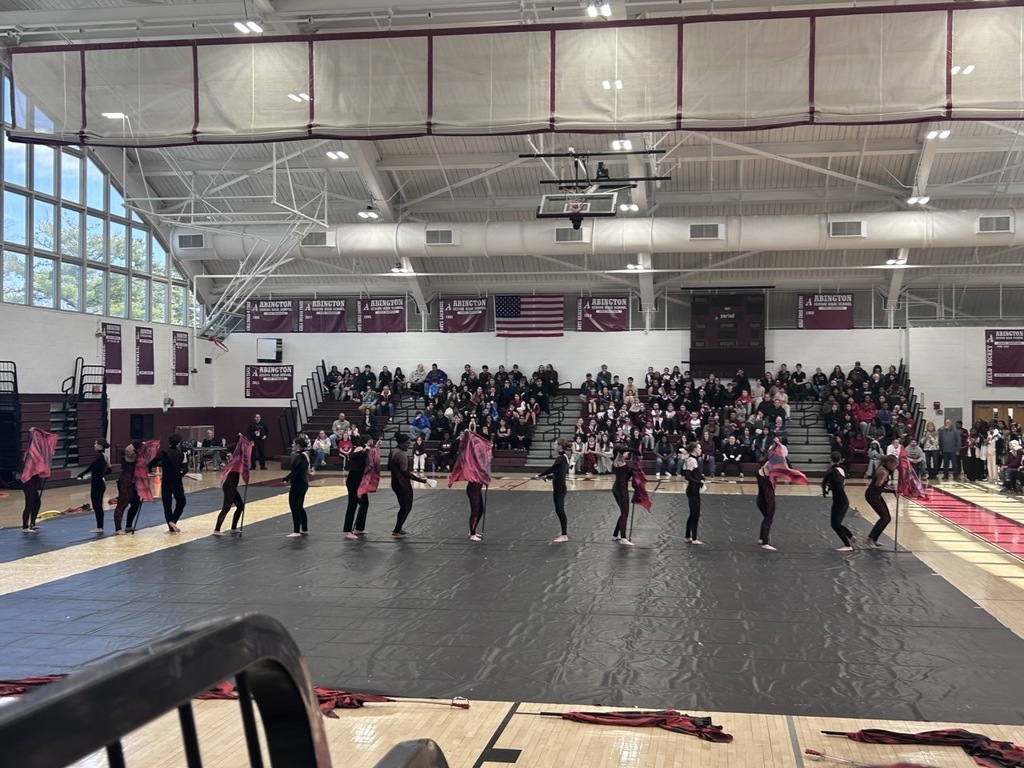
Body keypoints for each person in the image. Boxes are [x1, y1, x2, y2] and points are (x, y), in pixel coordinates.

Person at [388, 433, 432, 538]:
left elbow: (391, 467)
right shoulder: (401, 454)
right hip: (402, 483)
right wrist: (420, 480)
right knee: (406, 506)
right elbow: (405, 472)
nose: (409, 445)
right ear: (402, 443)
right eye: (407, 443)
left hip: (395, 482)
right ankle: (397, 529)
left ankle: (398, 528)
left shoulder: (393, 451)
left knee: (403, 506)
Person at [148, 433, 188, 533]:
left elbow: (151, 463)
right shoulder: (182, 454)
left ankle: (171, 525)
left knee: (167, 504)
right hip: (177, 481)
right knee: (181, 502)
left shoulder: (163, 453)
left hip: (166, 480)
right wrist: (181, 473)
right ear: (179, 443)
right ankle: (173, 520)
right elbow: (185, 469)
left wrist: (150, 472)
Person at [536, 438, 570, 542]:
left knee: (560, 510)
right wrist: (547, 477)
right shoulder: (564, 457)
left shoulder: (560, 458)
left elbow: (552, 468)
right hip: (560, 486)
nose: (554, 446)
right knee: (559, 510)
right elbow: (558, 473)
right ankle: (564, 534)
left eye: (555, 444)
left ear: (560, 446)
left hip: (559, 488)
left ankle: (564, 535)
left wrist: (540, 474)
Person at [213, 438, 249, 536]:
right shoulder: (234, 460)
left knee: (240, 506)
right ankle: (217, 530)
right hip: (229, 486)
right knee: (226, 508)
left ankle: (233, 527)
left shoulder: (238, 459)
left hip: (232, 486)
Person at [822, 451, 855, 551]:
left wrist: (825, 491)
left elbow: (825, 483)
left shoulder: (830, 471)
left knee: (834, 524)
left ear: (830, 459)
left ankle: (847, 545)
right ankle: (850, 535)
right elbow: (839, 484)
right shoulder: (842, 470)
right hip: (844, 500)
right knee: (837, 523)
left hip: (839, 501)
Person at [77, 439, 111, 533]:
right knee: (99, 505)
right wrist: (101, 475)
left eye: (95, 443)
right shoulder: (105, 456)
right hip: (101, 483)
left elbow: (92, 467)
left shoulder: (98, 456)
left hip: (97, 485)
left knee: (97, 506)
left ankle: (99, 527)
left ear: (100, 446)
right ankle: (100, 526)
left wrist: (82, 474)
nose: (94, 445)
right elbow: (109, 470)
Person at [864, 454, 898, 548]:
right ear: (889, 463)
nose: (895, 467)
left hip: (876, 495)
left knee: (887, 518)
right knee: (884, 518)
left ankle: (874, 539)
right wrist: (892, 491)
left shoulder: (886, 470)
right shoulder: (883, 471)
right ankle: (869, 539)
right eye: (895, 465)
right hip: (872, 495)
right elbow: (877, 486)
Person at [343, 435, 371, 539]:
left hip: (360, 481)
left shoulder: (367, 450)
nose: (370, 443)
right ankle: (348, 530)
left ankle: (359, 528)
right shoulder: (360, 448)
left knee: (364, 503)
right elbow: (352, 456)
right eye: (369, 441)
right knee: (352, 504)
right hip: (353, 481)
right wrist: (363, 450)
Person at [113, 442, 144, 535]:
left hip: (135, 483)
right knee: (121, 505)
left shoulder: (139, 456)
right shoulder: (131, 455)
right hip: (126, 483)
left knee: (135, 504)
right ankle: (118, 528)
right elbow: (130, 456)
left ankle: (129, 525)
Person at [283, 436, 311, 538]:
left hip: (298, 484)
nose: (292, 445)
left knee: (294, 506)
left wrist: (287, 477)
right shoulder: (305, 454)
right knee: (299, 506)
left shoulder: (299, 457)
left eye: (293, 444)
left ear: (298, 445)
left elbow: (296, 470)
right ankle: (304, 528)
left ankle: (296, 530)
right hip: (303, 483)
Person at [610, 444, 635, 546]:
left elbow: (625, 476)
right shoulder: (618, 463)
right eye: (625, 451)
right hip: (621, 490)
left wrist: (633, 471)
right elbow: (624, 477)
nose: (628, 453)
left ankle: (616, 534)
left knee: (623, 512)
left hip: (618, 488)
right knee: (625, 513)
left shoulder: (620, 462)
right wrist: (635, 450)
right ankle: (623, 538)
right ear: (620, 453)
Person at [680, 441, 704, 544]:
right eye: (699, 448)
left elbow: (695, 474)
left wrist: (701, 478)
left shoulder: (694, 460)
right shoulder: (692, 461)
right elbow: (687, 475)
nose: (700, 450)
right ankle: (694, 538)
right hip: (692, 489)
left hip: (694, 489)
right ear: (694, 449)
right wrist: (698, 482)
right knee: (695, 513)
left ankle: (688, 536)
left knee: (693, 513)